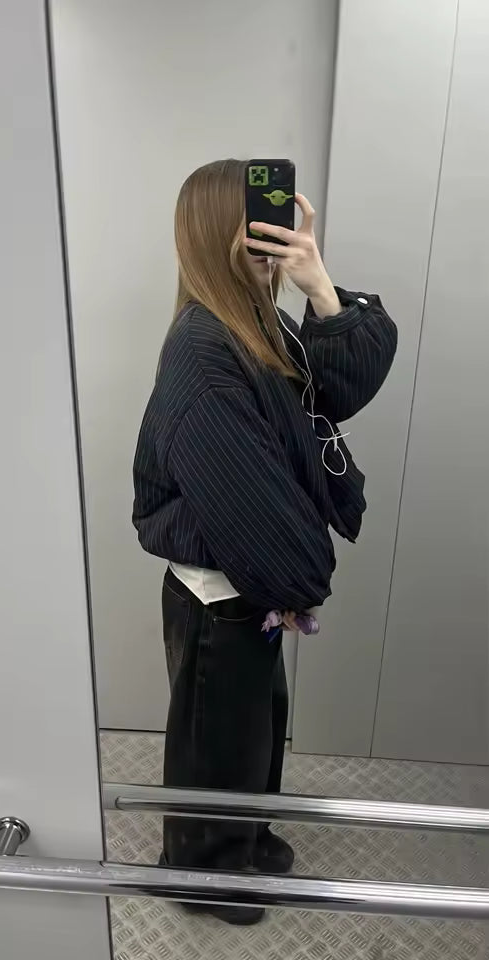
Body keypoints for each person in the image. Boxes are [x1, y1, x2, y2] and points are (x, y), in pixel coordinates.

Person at [133, 159, 397, 924]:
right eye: (252, 228)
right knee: (215, 742)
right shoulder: (203, 346)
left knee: (253, 730)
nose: (267, 239)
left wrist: (320, 287)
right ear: (219, 234)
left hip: (250, 591)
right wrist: (297, 581)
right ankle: (206, 879)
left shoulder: (257, 321)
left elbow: (336, 392)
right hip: (222, 595)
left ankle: (245, 840)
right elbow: (246, 496)